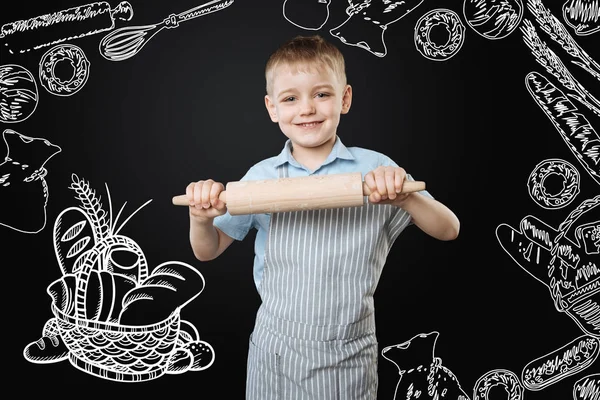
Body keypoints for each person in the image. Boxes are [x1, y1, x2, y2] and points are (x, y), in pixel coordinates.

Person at [184, 34, 460, 399]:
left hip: (347, 352)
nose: (307, 108)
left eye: (321, 94)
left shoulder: (377, 170)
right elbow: (207, 251)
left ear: (344, 98)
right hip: (275, 348)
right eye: (290, 98)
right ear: (272, 109)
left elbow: (449, 229)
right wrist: (200, 218)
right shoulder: (260, 178)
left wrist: (405, 197)